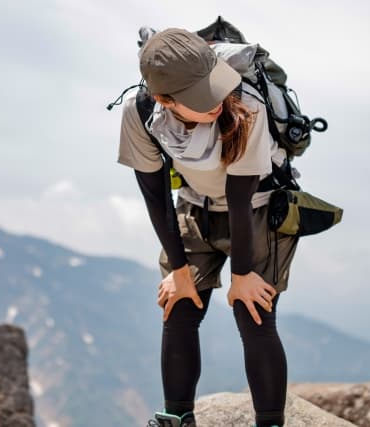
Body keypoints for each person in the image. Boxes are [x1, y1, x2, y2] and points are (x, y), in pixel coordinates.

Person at [117, 28, 299, 427]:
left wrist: (243, 275)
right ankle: (177, 418)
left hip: (258, 206)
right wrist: (180, 272)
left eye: (213, 87)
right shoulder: (141, 111)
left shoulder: (247, 105)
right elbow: (154, 194)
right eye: (201, 97)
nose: (216, 101)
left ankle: (270, 423)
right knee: (179, 305)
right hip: (193, 205)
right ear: (166, 100)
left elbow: (241, 195)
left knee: (253, 311)